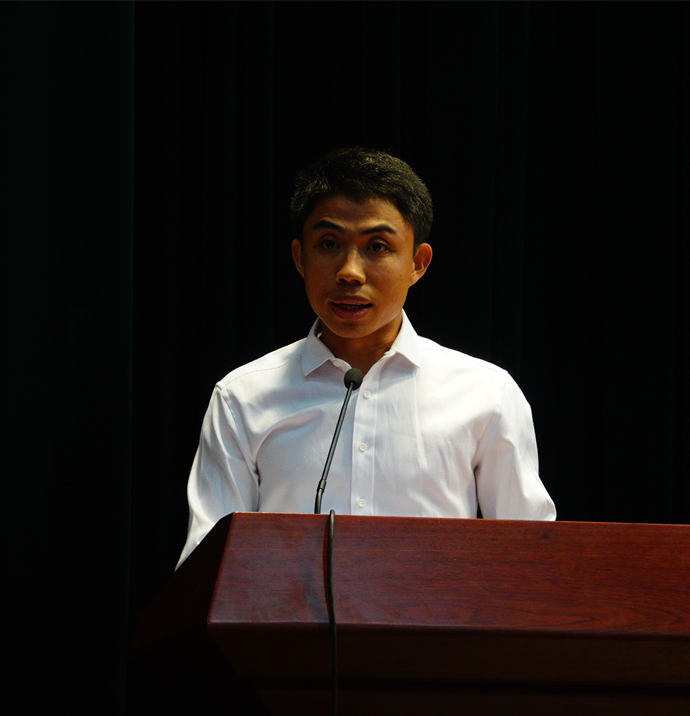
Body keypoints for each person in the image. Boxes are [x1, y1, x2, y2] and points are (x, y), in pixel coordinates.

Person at [177, 147, 554, 567]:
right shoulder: (242, 398)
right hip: (288, 613)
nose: (350, 272)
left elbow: (532, 560)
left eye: (377, 246)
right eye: (329, 244)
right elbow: (205, 569)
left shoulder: (486, 394)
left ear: (417, 263)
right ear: (300, 258)